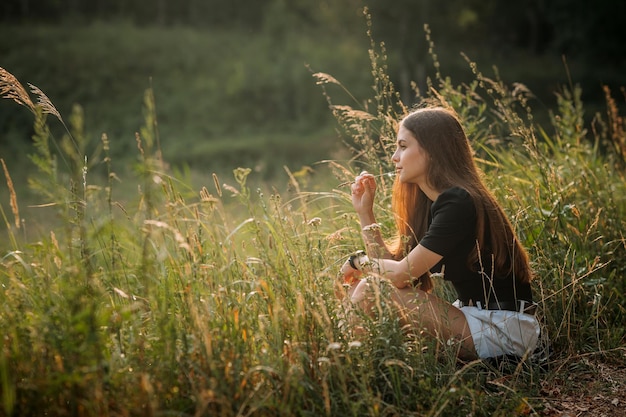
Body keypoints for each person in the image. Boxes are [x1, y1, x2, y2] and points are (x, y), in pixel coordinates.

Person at [338, 106, 541, 361]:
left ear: (432, 151)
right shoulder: (434, 205)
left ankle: (346, 367)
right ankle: (350, 363)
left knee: (370, 287)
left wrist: (359, 262)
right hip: (474, 319)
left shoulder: (459, 202)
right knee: (362, 286)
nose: (394, 157)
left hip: (505, 329)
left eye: (403, 146)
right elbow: (395, 274)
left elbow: (400, 275)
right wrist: (365, 213)